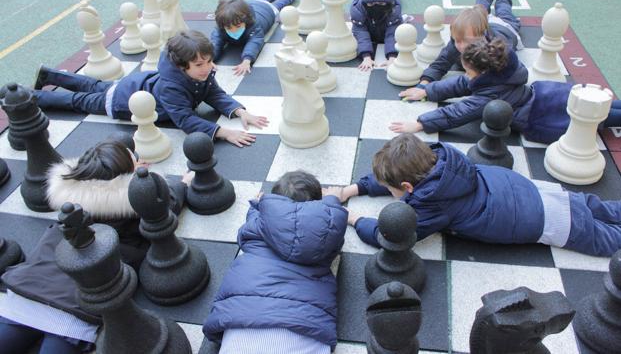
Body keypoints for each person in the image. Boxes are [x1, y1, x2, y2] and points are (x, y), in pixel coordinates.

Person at [0, 139, 191, 354]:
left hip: (28, 287)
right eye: (135, 161)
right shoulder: (133, 208)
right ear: (125, 176)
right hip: (74, 308)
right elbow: (165, 206)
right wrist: (180, 184)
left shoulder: (70, 206)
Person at [326, 133, 621, 257]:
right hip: (542, 193)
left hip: (550, 221)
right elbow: (394, 179)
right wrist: (353, 189)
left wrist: (353, 218)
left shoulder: (432, 207)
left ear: (407, 188)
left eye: (392, 190)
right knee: (603, 208)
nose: (390, 193)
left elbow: (391, 235)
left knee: (608, 240)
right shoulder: (444, 162)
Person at [33, 30, 269, 148]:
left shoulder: (201, 73)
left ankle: (49, 75)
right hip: (123, 101)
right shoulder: (172, 88)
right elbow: (185, 120)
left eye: (209, 61)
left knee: (93, 85)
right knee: (80, 101)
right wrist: (225, 132)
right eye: (200, 64)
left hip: (132, 84)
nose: (208, 68)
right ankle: (32, 97)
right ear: (180, 65)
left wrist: (240, 112)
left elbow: (214, 93)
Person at [203, 170, 348, 354]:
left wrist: (260, 205)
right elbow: (334, 226)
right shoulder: (324, 238)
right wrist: (332, 200)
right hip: (306, 330)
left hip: (240, 324)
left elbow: (253, 218)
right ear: (318, 206)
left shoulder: (256, 225)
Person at [389, 38, 621, 143]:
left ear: (481, 72)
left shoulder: (489, 95)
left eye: (467, 71)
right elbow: (463, 85)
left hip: (543, 117)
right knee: (602, 105)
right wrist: (428, 91)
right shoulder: (504, 68)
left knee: (597, 116)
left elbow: (458, 112)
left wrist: (420, 123)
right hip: (550, 94)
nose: (465, 75)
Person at [399, 0, 523, 101]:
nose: (461, 46)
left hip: (505, 27)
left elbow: (464, 84)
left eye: (468, 41)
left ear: (482, 36)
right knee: (479, 10)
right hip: (483, 24)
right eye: (458, 40)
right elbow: (441, 63)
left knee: (504, 12)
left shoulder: (498, 50)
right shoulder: (459, 41)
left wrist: (429, 91)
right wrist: (424, 84)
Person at [211, 0, 299, 76]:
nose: (234, 30)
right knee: (259, 1)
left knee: (277, 5)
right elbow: (215, 41)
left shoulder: (254, 26)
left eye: (238, 26)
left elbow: (255, 42)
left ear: (246, 21)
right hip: (253, 4)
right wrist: (210, 58)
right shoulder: (222, 26)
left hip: (267, 10)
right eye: (229, 28)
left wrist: (247, 60)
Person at [350, 0, 403, 71]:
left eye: (381, 3)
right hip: (373, 28)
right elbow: (360, 32)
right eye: (371, 3)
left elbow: (392, 33)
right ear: (365, 1)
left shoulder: (394, 9)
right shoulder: (358, 10)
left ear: (387, 2)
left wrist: (392, 56)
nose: (376, 6)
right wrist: (366, 56)